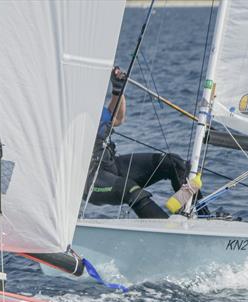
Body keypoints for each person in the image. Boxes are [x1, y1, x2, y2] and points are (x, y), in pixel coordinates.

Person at [84, 66, 199, 219]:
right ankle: (165, 232)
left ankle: (196, 216)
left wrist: (118, 89)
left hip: (110, 165)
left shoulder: (92, 106)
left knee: (174, 163)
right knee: (131, 190)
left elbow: (116, 118)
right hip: (89, 178)